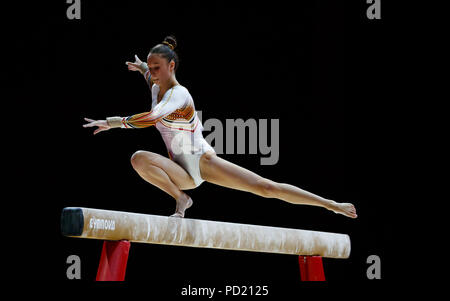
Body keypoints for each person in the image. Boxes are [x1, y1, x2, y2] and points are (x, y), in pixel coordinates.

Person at [83, 36, 357, 219]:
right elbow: (150, 80)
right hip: (181, 171)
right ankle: (182, 198)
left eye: (157, 67)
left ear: (172, 66)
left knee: (265, 187)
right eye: (151, 68)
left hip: (202, 161)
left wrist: (113, 122)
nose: (152, 73)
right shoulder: (156, 85)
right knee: (139, 159)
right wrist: (141, 66)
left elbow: (154, 117)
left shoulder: (179, 94)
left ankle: (330, 205)